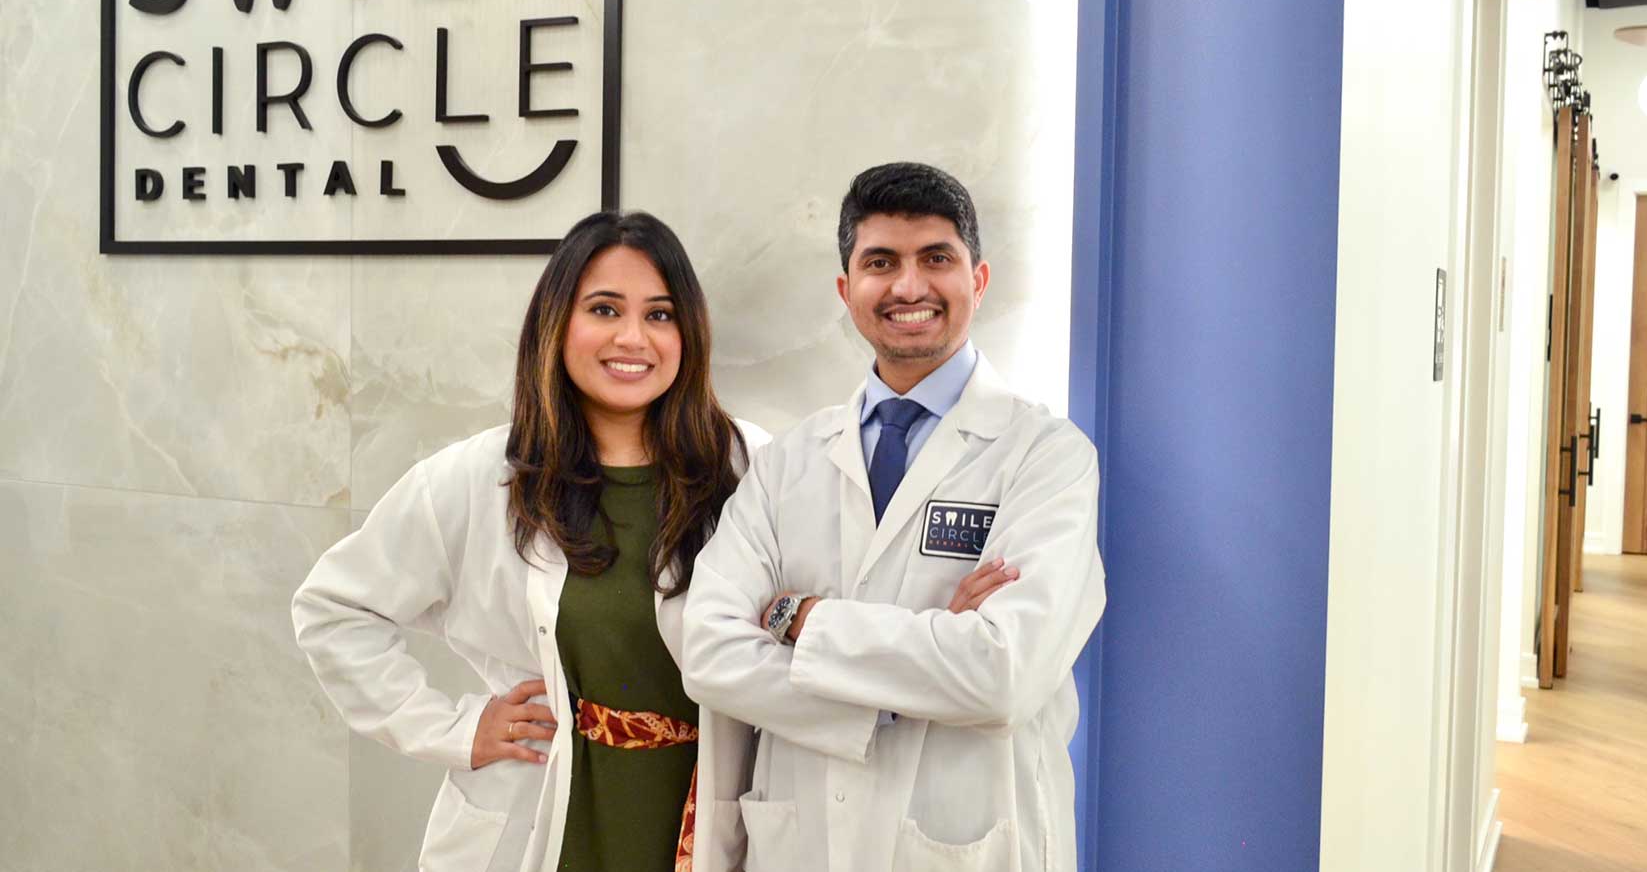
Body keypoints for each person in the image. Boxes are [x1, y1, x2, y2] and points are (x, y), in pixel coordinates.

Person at [292, 211, 767, 872]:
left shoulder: (752, 468)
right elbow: (334, 610)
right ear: (556, 323)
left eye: (660, 314)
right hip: (539, 815)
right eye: (604, 309)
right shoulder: (480, 477)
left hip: (702, 817)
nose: (633, 337)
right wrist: (456, 728)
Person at [680, 162, 1106, 872]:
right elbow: (708, 652)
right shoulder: (788, 462)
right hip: (802, 847)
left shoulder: (1045, 455)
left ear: (978, 279)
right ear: (847, 290)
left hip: (966, 843)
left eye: (936, 258)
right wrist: (920, 669)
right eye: (881, 263)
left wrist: (802, 620)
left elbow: (1002, 672)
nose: (909, 287)